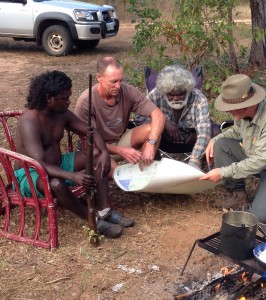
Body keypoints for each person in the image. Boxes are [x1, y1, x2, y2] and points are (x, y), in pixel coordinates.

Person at [14, 70, 134, 239]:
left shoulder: (61, 114)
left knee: (97, 154)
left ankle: (105, 210)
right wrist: (73, 176)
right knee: (56, 184)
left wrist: (105, 153)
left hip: (58, 164)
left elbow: (91, 132)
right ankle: (93, 219)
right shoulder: (30, 121)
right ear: (49, 98)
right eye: (64, 99)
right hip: (31, 173)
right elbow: (39, 163)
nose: (68, 102)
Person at [200, 74, 266, 223]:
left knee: (260, 217)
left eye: (233, 108)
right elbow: (236, 131)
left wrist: (223, 172)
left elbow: (259, 161)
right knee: (221, 145)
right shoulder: (242, 112)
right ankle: (238, 197)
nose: (229, 112)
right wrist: (214, 140)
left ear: (250, 103)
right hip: (255, 156)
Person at [74, 56, 165, 175]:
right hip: (98, 149)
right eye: (113, 81)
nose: (118, 86)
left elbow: (158, 115)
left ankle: (142, 176)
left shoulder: (127, 91)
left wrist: (151, 144)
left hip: (120, 140)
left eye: (120, 80)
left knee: (152, 130)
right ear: (99, 77)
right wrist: (121, 151)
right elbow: (89, 141)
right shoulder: (86, 102)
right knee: (115, 172)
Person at [144, 65, 212, 169]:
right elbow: (140, 120)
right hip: (163, 139)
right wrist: (163, 121)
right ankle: (153, 168)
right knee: (147, 131)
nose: (176, 98)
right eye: (171, 95)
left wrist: (193, 163)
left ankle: (202, 165)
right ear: (164, 92)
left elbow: (204, 133)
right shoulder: (155, 95)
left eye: (180, 94)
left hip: (189, 138)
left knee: (215, 132)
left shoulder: (198, 98)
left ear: (187, 90)